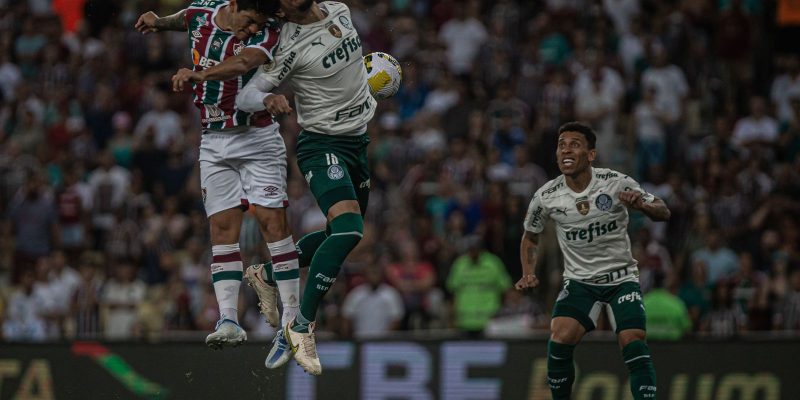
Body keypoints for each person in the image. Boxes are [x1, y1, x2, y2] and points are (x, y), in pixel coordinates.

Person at [134, 0, 301, 366]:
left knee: (273, 224)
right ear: (235, 5)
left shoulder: (268, 30)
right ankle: (229, 319)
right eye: (249, 21)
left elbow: (243, 64)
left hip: (257, 138)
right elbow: (185, 19)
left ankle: (292, 321)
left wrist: (199, 76)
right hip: (213, 139)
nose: (253, 29)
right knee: (222, 228)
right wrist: (159, 22)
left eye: (258, 25)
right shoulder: (202, 12)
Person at [236, 0, 378, 375]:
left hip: (358, 143)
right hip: (322, 145)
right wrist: (267, 97)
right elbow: (244, 96)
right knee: (350, 229)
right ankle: (300, 326)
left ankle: (265, 274)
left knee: (339, 233)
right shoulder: (285, 45)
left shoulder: (339, 9)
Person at [515, 121, 671, 400]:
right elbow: (530, 237)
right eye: (562, 145)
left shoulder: (616, 182)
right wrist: (528, 272)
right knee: (559, 338)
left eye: (574, 144)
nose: (566, 149)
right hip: (579, 282)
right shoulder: (546, 196)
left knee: (632, 339)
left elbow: (663, 211)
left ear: (590, 154)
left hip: (620, 278)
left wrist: (643, 205)